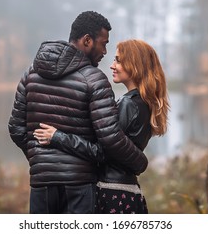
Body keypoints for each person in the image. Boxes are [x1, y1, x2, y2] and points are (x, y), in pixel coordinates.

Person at [8, 11, 148, 214]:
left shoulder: (30, 73)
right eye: (103, 43)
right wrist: (140, 162)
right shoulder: (95, 79)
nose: (105, 51)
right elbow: (109, 141)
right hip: (79, 186)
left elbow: (15, 128)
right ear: (87, 41)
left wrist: (40, 158)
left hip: (41, 183)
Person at [34, 39, 170, 213]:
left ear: (135, 65)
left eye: (118, 61)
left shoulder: (128, 104)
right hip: (128, 190)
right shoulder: (144, 104)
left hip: (113, 192)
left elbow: (102, 152)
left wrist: (58, 137)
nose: (112, 65)